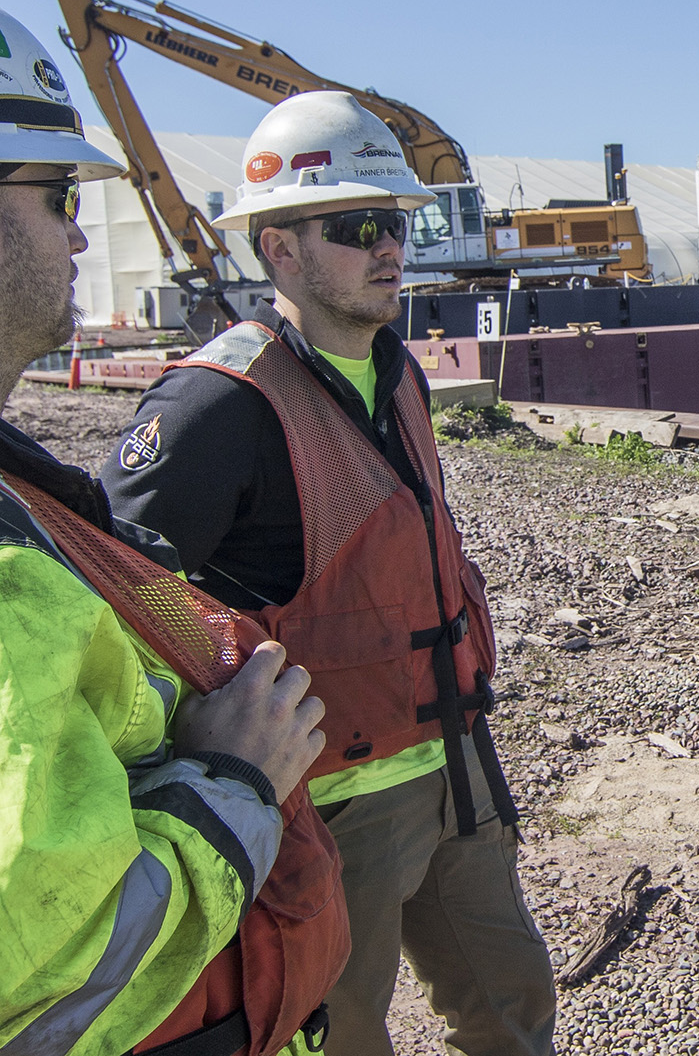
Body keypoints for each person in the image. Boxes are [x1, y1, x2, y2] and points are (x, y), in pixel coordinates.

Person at [103, 92, 556, 1056]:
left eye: (395, 223)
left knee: (511, 1002)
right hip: (330, 803)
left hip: (455, 767)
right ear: (280, 251)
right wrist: (196, 759)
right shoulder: (213, 407)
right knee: (342, 1034)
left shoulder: (400, 373)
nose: (388, 247)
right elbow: (114, 591)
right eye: (356, 227)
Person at [0, 9, 346, 1056]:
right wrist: (226, 783)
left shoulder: (33, 501)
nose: (78, 233)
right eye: (58, 196)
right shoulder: (211, 405)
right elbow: (41, 972)